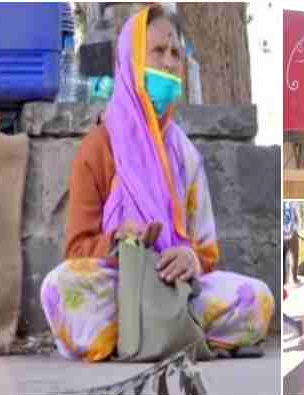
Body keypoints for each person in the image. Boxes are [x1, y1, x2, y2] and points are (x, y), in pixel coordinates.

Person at [39, 5, 274, 362]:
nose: (168, 63)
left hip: (178, 287)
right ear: (131, 60)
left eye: (175, 54)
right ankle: (170, 332)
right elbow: (77, 248)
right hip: (119, 283)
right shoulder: (99, 147)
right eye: (158, 51)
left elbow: (208, 253)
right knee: (59, 288)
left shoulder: (184, 154)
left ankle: (146, 333)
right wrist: (119, 242)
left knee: (257, 299)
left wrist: (190, 258)